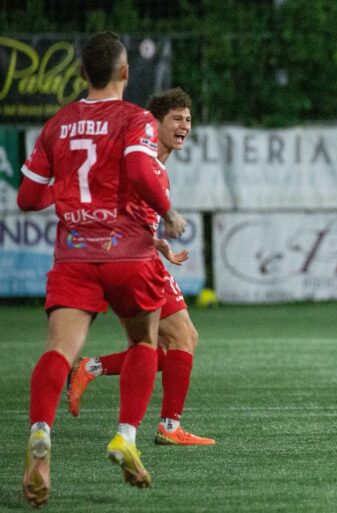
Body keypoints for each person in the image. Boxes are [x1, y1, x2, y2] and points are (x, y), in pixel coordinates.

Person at [17, 32, 187, 506]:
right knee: (143, 343)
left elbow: (28, 197)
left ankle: (40, 432)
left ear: (80, 74)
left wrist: (67, 192)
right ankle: (126, 436)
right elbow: (139, 171)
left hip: (75, 252)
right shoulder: (135, 119)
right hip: (127, 252)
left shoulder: (57, 124)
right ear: (125, 72)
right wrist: (169, 212)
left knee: (58, 349)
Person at [67, 88, 215, 446]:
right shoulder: (142, 161)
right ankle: (168, 427)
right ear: (155, 123)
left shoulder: (155, 165)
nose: (185, 126)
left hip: (139, 254)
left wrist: (156, 241)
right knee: (182, 338)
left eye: (188, 120)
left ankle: (90, 367)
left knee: (165, 346)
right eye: (177, 119)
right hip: (131, 260)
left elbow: (129, 211)